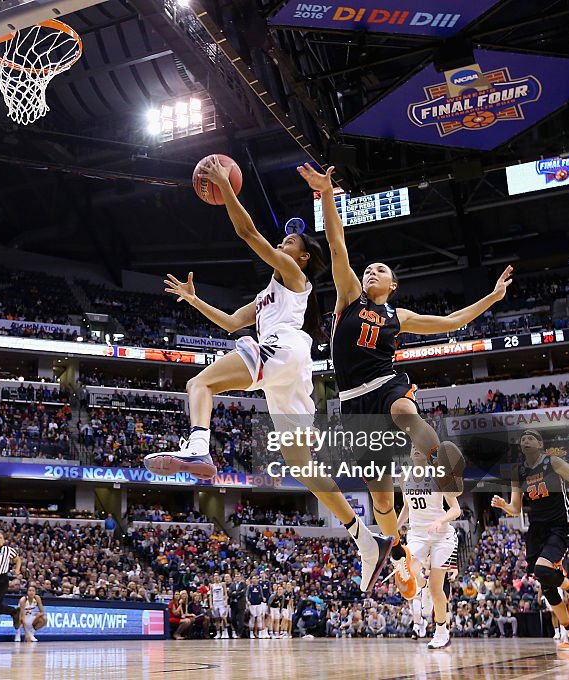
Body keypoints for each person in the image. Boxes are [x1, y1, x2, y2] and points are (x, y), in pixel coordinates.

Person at [144, 156, 393, 595]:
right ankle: (364, 537)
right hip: (292, 369)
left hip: (284, 350)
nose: (283, 241)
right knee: (304, 467)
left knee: (199, 383)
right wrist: (193, 298)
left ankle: (199, 447)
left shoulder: (297, 277)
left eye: (291, 239)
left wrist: (228, 190)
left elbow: (247, 233)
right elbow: (228, 323)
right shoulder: (268, 295)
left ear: (301, 255)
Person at [298, 164, 512, 595]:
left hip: (386, 382)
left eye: (380, 270)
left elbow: (452, 320)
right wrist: (326, 196)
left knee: (403, 408)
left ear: (393, 284)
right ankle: (396, 558)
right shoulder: (347, 299)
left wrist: (491, 297)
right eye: (369, 269)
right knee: (380, 497)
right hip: (354, 401)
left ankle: (442, 461)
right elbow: (337, 245)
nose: (371, 272)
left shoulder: (401, 316)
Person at [492, 431, 569, 649]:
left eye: (530, 438)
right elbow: (515, 509)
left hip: (559, 526)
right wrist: (503, 505)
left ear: (540, 444)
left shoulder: (552, 462)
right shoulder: (518, 471)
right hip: (536, 529)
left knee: (544, 570)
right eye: (523, 439)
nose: (525, 441)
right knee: (545, 584)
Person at [397, 445, 462, 649]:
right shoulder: (403, 477)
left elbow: (456, 509)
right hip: (417, 534)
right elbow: (406, 508)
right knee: (408, 568)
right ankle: (421, 587)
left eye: (420, 447)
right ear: (409, 453)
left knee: (437, 587)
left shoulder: (439, 476)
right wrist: (393, 530)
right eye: (413, 447)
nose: (417, 449)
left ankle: (441, 631)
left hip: (442, 535)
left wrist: (440, 521)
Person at [246, 574, 268, 639]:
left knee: (259, 618)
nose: (254, 580)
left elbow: (261, 594)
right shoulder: (249, 587)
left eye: (255, 578)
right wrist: (248, 601)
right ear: (251, 580)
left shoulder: (259, 587)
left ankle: (260, 633)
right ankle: (251, 633)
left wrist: (263, 598)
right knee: (252, 618)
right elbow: (246, 595)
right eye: (253, 578)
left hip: (258, 604)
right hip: (252, 604)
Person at [209, 573, 229, 638]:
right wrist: (211, 604)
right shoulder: (212, 585)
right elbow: (210, 595)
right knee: (217, 619)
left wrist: (226, 601)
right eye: (215, 576)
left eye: (217, 576)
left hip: (221, 602)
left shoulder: (222, 584)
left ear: (219, 577)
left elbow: (225, 593)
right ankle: (218, 633)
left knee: (223, 617)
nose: (216, 577)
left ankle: (225, 631)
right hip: (215, 602)